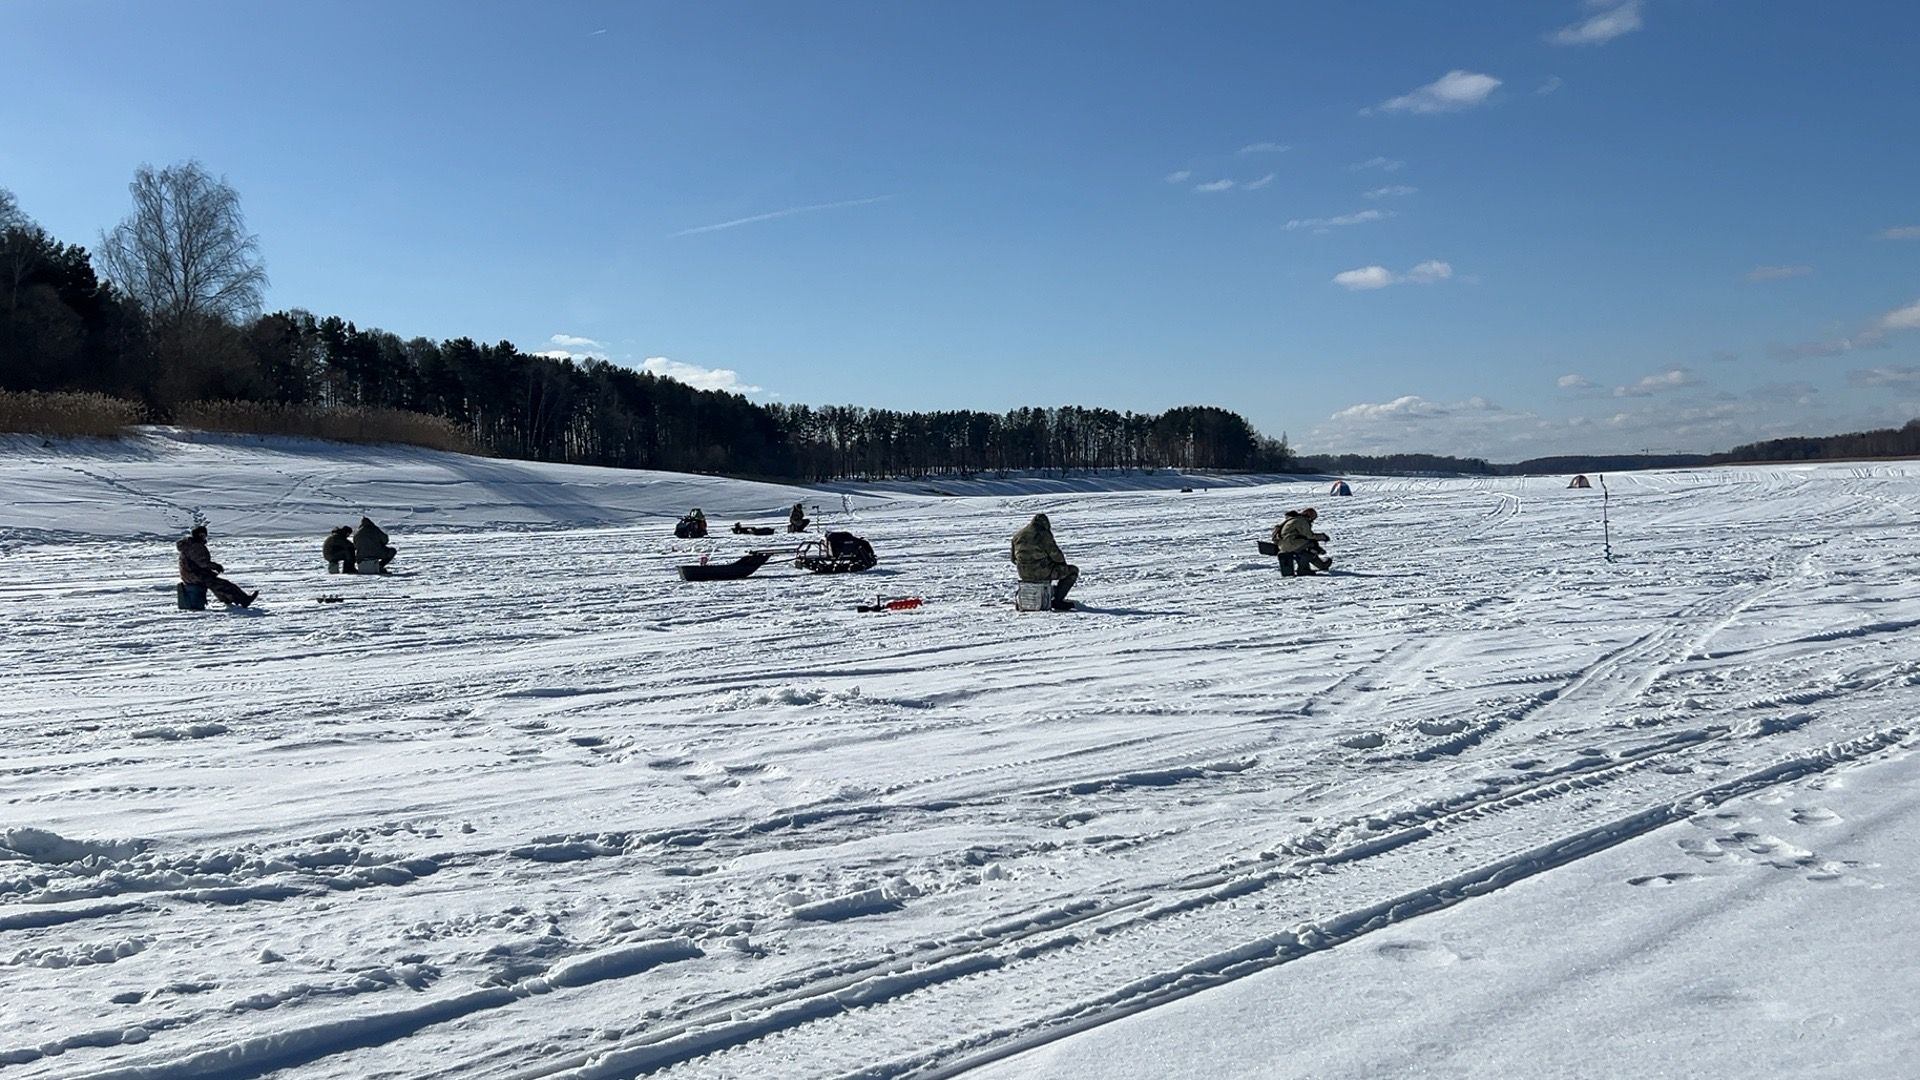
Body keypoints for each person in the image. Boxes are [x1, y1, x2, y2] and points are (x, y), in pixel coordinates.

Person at [1010, 512, 1079, 611]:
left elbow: (1013, 559)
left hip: (1023, 573)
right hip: (1042, 572)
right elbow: (1056, 554)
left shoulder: (1018, 535)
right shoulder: (1043, 534)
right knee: (1072, 571)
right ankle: (1058, 600)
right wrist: (1062, 564)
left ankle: (1047, 593)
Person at [177, 525, 257, 607]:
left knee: (215, 583)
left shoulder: (189, 545)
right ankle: (244, 600)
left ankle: (228, 599)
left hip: (189, 575)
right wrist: (215, 566)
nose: (204, 537)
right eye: (203, 535)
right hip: (195, 576)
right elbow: (202, 563)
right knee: (223, 584)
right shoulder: (196, 546)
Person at [1275, 507, 1331, 577]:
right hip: (1291, 543)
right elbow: (1309, 535)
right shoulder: (1302, 521)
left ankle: (1317, 565)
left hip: (1283, 545)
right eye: (1312, 519)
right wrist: (1323, 537)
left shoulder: (1292, 519)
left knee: (1304, 548)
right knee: (1311, 545)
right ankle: (1307, 568)